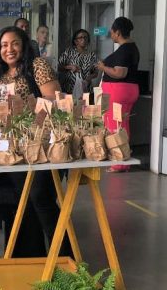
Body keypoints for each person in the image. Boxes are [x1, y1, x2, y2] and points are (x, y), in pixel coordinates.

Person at [0, 25, 72, 258]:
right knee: (19, 203)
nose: (9, 49)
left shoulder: (38, 65)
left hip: (42, 145)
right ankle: (28, 257)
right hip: (12, 147)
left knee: (40, 197)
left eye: (14, 43)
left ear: (24, 45)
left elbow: (53, 100)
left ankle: (66, 257)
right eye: (4, 45)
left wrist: (25, 111)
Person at [97, 17, 140, 173]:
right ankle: (123, 160)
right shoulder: (132, 48)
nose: (111, 34)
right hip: (129, 90)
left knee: (114, 125)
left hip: (119, 90)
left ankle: (118, 163)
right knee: (123, 126)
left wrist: (103, 67)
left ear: (118, 32)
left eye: (112, 31)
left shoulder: (124, 49)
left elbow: (120, 73)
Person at [58, 28, 98, 96]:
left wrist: (88, 79)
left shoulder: (92, 55)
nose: (84, 39)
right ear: (75, 41)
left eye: (85, 37)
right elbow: (58, 67)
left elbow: (95, 73)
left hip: (86, 90)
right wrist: (70, 67)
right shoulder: (68, 52)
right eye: (81, 37)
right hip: (70, 89)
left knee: (85, 106)